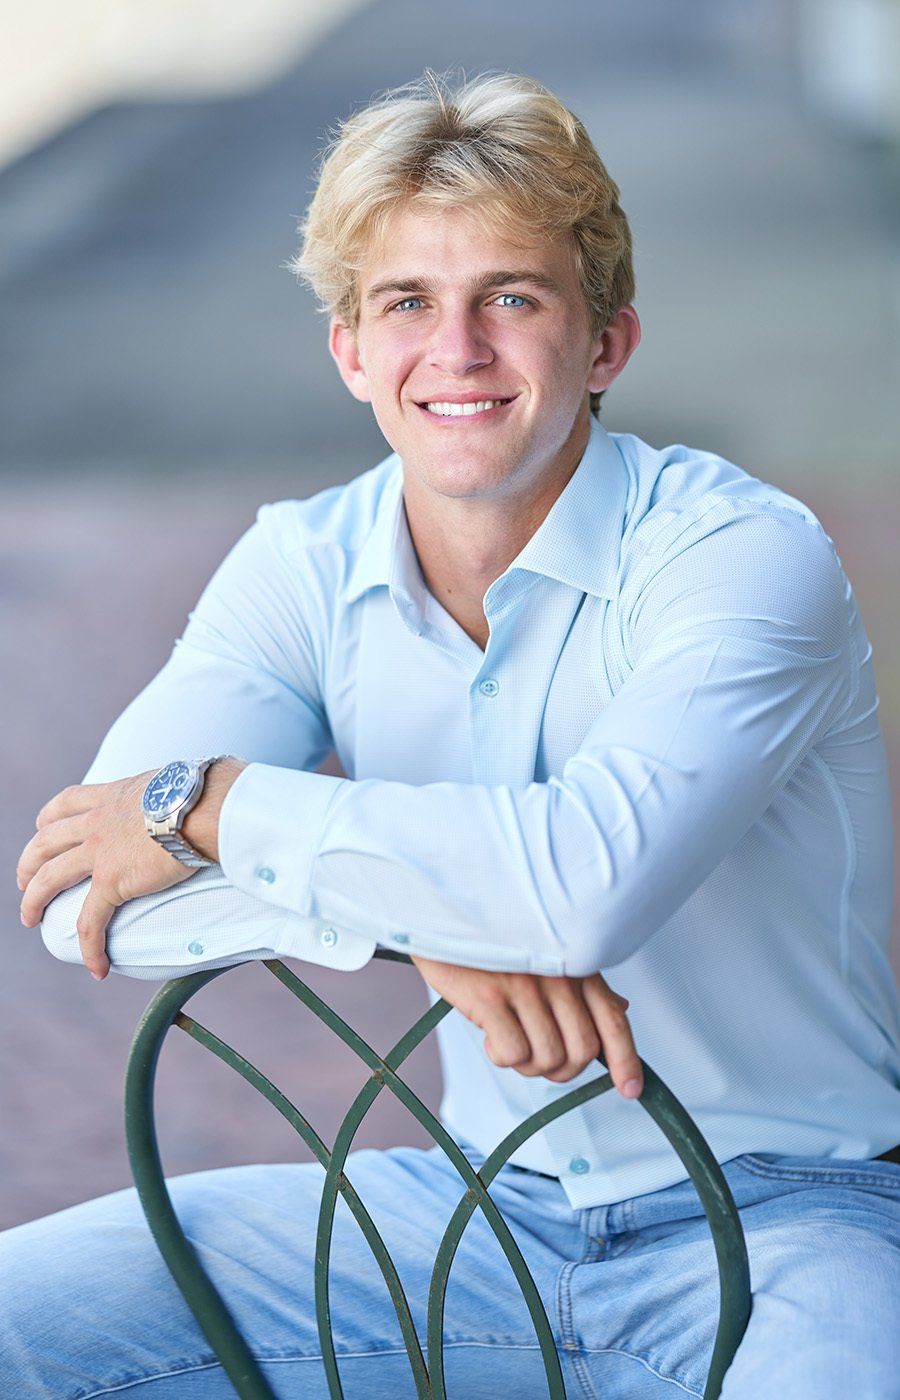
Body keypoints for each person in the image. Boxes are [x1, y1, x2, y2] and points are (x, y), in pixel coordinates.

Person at [4, 68, 900, 1398]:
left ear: (606, 343)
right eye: (408, 303)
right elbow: (91, 896)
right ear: (352, 350)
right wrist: (424, 929)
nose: (459, 351)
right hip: (476, 1213)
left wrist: (210, 806)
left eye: (513, 299)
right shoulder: (302, 565)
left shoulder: (743, 558)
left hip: (792, 1220)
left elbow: (580, 885)